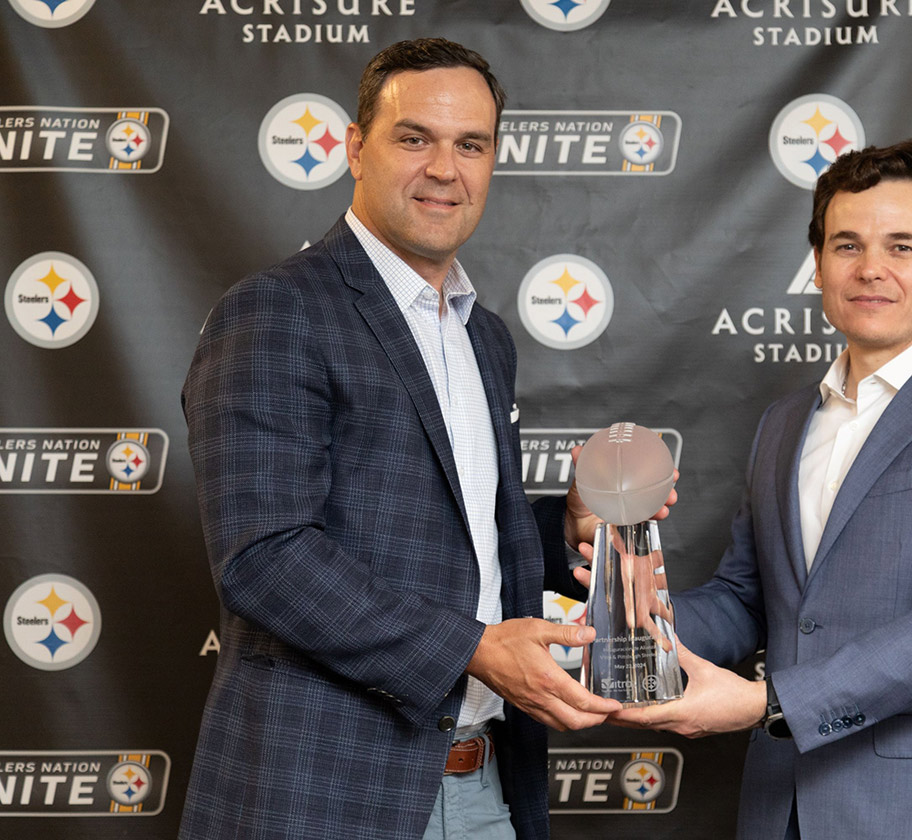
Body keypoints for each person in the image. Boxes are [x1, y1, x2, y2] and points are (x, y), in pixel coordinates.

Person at [179, 38, 648, 840]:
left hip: (486, 787)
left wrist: (560, 523)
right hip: (323, 794)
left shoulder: (485, 335)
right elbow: (265, 555)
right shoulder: (277, 312)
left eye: (470, 144)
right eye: (414, 138)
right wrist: (473, 649)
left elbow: (446, 539)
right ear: (355, 148)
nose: (445, 168)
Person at [612, 138, 912, 840]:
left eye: (902, 247)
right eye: (846, 244)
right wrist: (634, 616)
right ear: (819, 264)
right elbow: (748, 601)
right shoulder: (784, 422)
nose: (870, 269)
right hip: (781, 806)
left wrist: (772, 701)